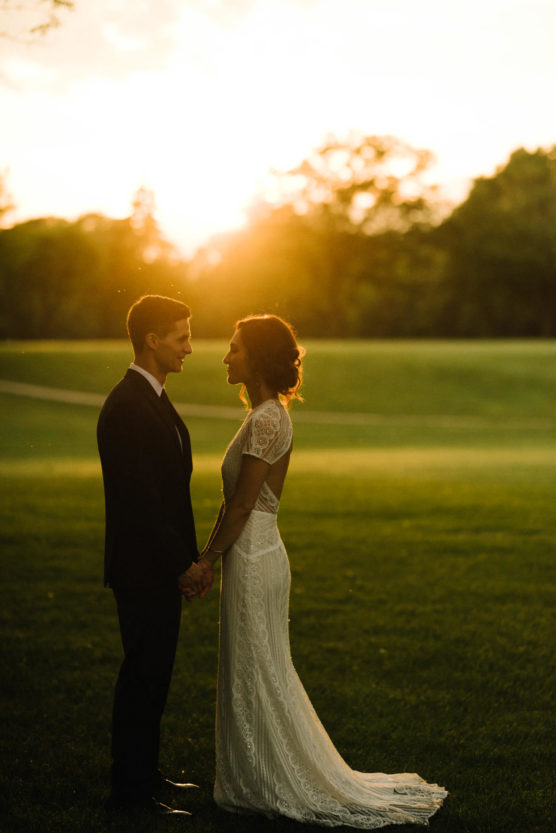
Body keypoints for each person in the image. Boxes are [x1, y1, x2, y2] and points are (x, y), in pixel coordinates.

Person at [199, 314, 447, 828]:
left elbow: (242, 506)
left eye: (235, 349)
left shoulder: (268, 419)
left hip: (253, 554)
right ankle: (254, 774)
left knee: (259, 666)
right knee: (255, 664)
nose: (226, 357)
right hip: (251, 553)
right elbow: (234, 505)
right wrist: (207, 557)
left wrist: (204, 561)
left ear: (259, 358)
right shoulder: (263, 416)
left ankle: (269, 779)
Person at [97, 294, 213, 817]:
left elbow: (171, 492)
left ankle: (146, 776)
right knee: (142, 675)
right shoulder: (126, 406)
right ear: (152, 339)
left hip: (157, 566)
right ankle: (130, 794)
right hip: (142, 567)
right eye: (181, 337)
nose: (189, 347)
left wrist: (184, 560)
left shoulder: (155, 399)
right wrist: (181, 564)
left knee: (154, 675)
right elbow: (141, 502)